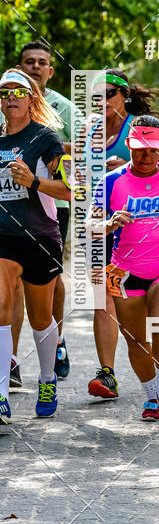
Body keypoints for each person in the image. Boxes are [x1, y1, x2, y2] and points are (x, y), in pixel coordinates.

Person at [88, 116, 159, 421]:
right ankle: (150, 395)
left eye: (152, 150)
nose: (146, 156)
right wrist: (108, 224)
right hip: (125, 272)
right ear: (129, 146)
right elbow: (89, 225)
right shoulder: (111, 181)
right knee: (136, 340)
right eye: (139, 149)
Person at [86, 71, 159, 401]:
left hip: (142, 232)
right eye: (95, 95)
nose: (101, 101)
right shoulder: (91, 131)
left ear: (123, 95)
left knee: (147, 320)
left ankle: (158, 384)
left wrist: (128, 163)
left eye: (108, 93)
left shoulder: (138, 127)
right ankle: (107, 373)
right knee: (102, 299)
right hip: (104, 223)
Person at [0, 68, 71, 424]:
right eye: (4, 92)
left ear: (31, 98)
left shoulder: (46, 139)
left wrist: (34, 181)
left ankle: (47, 380)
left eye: (18, 91)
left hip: (40, 236)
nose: (11, 97)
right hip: (2, 238)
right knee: (0, 305)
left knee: (40, 317)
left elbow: (71, 190)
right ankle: (0, 395)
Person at [10, 40, 75, 385]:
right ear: (20, 67)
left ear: (50, 70)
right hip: (7, 211)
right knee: (10, 287)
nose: (35, 67)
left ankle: (56, 343)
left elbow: (85, 148)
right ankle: (11, 362)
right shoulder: (6, 100)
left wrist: (48, 147)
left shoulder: (63, 108)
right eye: (28, 62)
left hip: (51, 207)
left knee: (48, 284)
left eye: (41, 62)